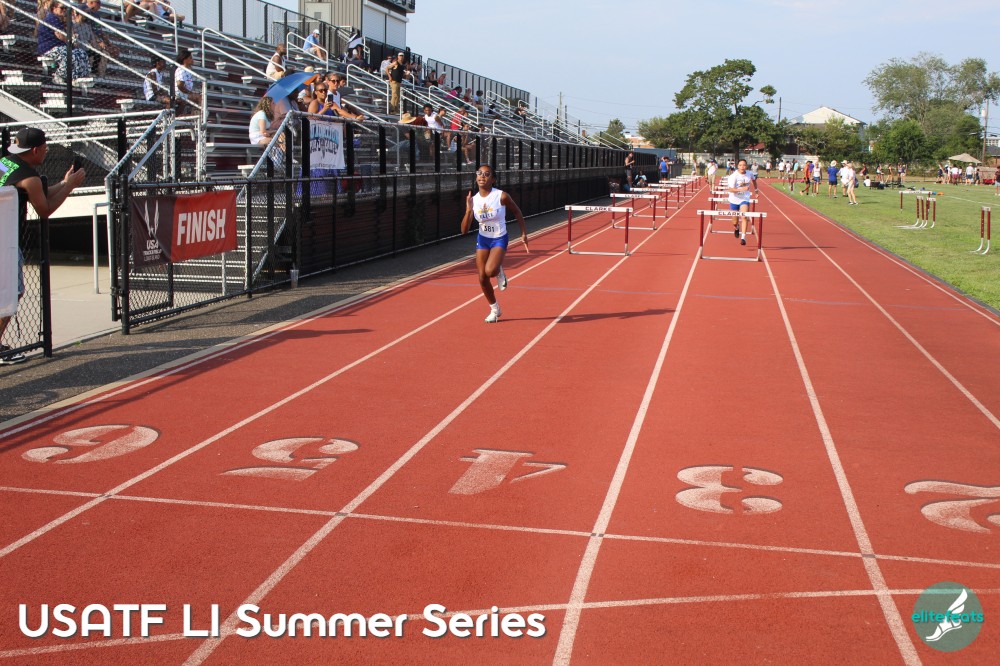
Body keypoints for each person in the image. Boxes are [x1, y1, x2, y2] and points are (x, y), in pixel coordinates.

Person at [0, 128, 86, 364]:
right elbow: (44, 209)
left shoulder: (6, 162)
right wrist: (70, 187)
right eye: (46, 149)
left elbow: (39, 193)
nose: (46, 153)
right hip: (6, 242)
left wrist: (65, 183)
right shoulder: (29, 177)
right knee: (13, 293)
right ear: (36, 150)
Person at [460, 165, 530, 323]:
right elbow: (464, 231)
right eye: (479, 173)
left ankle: (498, 270)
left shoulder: (501, 196)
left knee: (490, 270)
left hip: (499, 237)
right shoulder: (474, 200)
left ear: (493, 179)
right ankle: (495, 309)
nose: (482, 176)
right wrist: (468, 210)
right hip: (483, 239)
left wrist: (524, 233)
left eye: (486, 174)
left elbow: (517, 211)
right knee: (482, 277)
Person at [37, 1, 91, 84]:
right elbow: (60, 35)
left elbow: (68, 35)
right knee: (69, 54)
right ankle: (59, 76)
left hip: (60, 47)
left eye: (66, 8)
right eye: (62, 8)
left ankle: (77, 77)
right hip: (49, 49)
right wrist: (71, 41)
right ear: (54, 8)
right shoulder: (52, 18)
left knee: (82, 53)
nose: (64, 10)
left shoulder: (61, 20)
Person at [725, 158, 753, 246]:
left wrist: (756, 190)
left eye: (744, 165)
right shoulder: (733, 176)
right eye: (740, 165)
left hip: (744, 198)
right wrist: (742, 189)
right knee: (735, 221)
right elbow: (730, 190)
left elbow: (754, 179)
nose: (742, 167)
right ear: (737, 166)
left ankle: (743, 238)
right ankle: (736, 227)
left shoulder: (749, 173)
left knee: (744, 217)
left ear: (746, 166)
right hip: (734, 199)